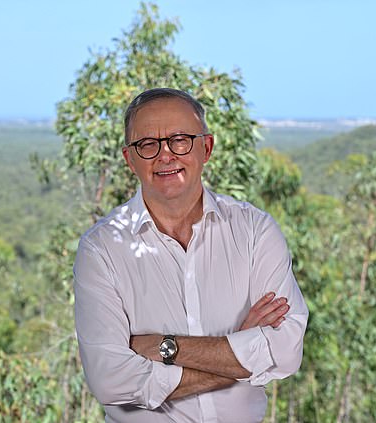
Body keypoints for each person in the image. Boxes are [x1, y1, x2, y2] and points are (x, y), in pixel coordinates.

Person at [73, 88, 309, 423]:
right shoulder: (102, 249)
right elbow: (110, 380)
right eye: (147, 144)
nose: (165, 155)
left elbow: (285, 351)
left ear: (206, 148)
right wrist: (242, 353)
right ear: (130, 159)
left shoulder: (254, 231)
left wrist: (166, 348)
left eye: (180, 139)